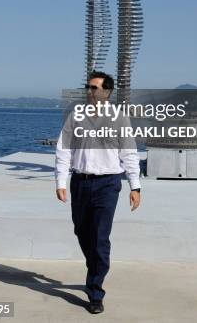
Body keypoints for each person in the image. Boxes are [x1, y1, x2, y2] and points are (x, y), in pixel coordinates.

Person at [55, 70, 141, 314]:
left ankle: (95, 292)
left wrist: (135, 187)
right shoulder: (76, 115)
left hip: (108, 184)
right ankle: (95, 267)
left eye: (94, 88)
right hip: (80, 183)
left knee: (100, 237)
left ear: (107, 91)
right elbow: (63, 150)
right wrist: (61, 181)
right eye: (88, 87)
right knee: (82, 231)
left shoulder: (119, 118)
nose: (89, 92)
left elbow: (129, 154)